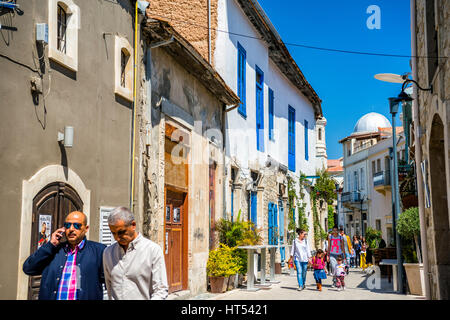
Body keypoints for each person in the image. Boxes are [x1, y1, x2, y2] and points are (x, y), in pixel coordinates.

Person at [23, 211, 106, 300]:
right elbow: (28, 269)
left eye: (77, 225)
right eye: (67, 225)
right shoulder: (53, 250)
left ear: (86, 228)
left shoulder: (99, 251)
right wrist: (51, 244)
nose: (71, 229)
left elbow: (112, 281)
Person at [103, 207, 168, 300]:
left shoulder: (153, 250)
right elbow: (109, 287)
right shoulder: (108, 253)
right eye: (113, 233)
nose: (117, 238)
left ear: (133, 225)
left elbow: (161, 290)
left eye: (121, 232)